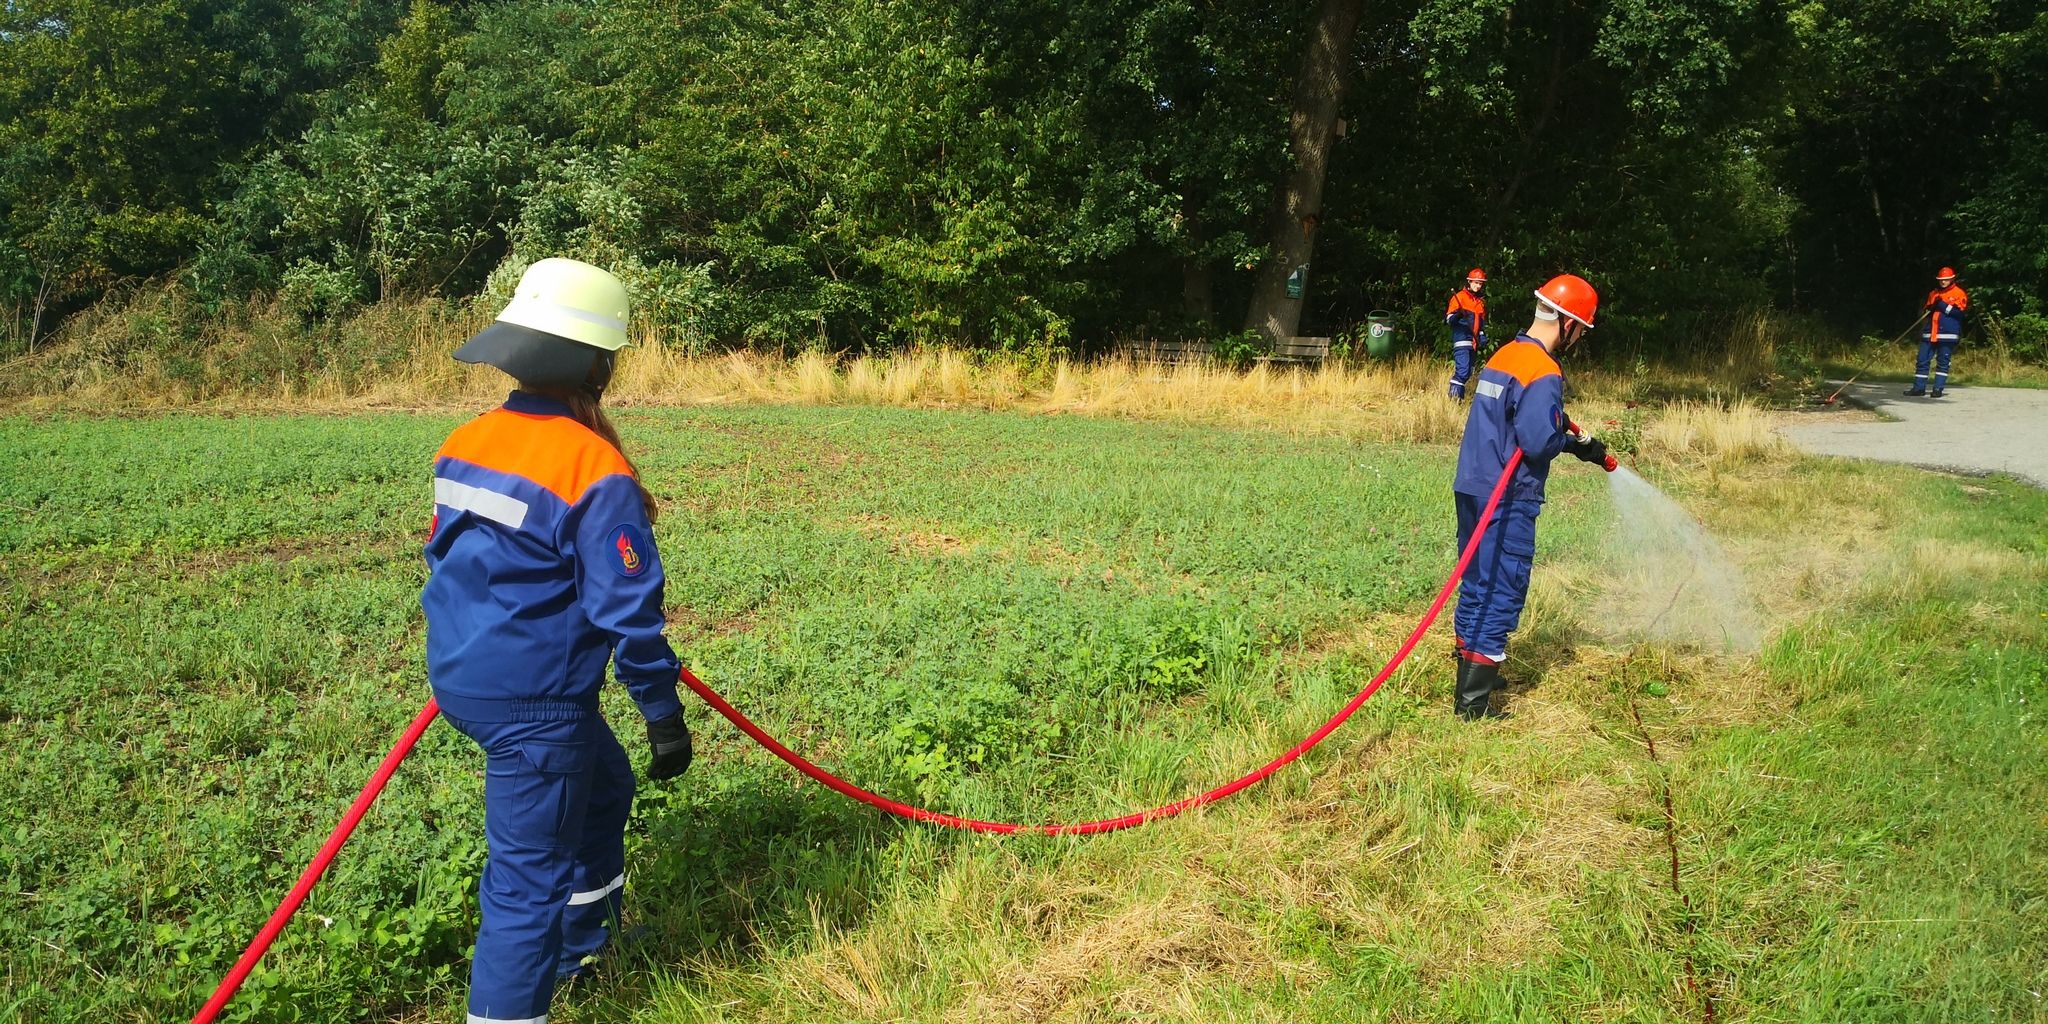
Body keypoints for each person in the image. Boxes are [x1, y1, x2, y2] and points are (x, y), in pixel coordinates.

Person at [422, 257, 695, 1022]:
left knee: (604, 790)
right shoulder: (591, 467)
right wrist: (661, 714)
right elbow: (630, 616)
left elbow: (447, 554)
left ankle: (586, 945)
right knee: (524, 884)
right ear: (599, 366)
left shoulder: (468, 441)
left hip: (465, 677)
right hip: (534, 709)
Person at [1449, 273, 1611, 720]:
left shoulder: (1505, 355)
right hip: (1507, 495)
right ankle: (1473, 706)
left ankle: (1471, 665)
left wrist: (1561, 429)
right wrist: (1577, 445)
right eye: (1581, 330)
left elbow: (1513, 419)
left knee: (1477, 578)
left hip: (1472, 485)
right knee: (1504, 584)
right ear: (1569, 324)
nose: (1578, 338)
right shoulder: (1544, 370)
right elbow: (1537, 441)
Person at [1906, 266, 1968, 398]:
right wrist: (1931, 308)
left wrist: (1943, 306)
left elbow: (1959, 314)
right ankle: (1918, 388)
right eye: (1941, 280)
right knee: (1922, 360)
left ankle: (1938, 389)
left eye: (1946, 279)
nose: (1943, 282)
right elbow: (1927, 312)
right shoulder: (1933, 293)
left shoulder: (1959, 293)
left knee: (1943, 362)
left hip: (1947, 333)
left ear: (1952, 279)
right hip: (1930, 332)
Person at [1445, 268, 1488, 399]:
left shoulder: (1480, 303)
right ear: (1469, 282)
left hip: (1473, 343)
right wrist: (1458, 315)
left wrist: (1482, 336)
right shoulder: (1459, 298)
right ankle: (1454, 399)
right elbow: (1449, 320)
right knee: (1463, 371)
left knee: (1469, 371)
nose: (1478, 286)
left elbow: (1481, 324)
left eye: (1480, 283)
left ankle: (1459, 399)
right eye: (1476, 283)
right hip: (1462, 339)